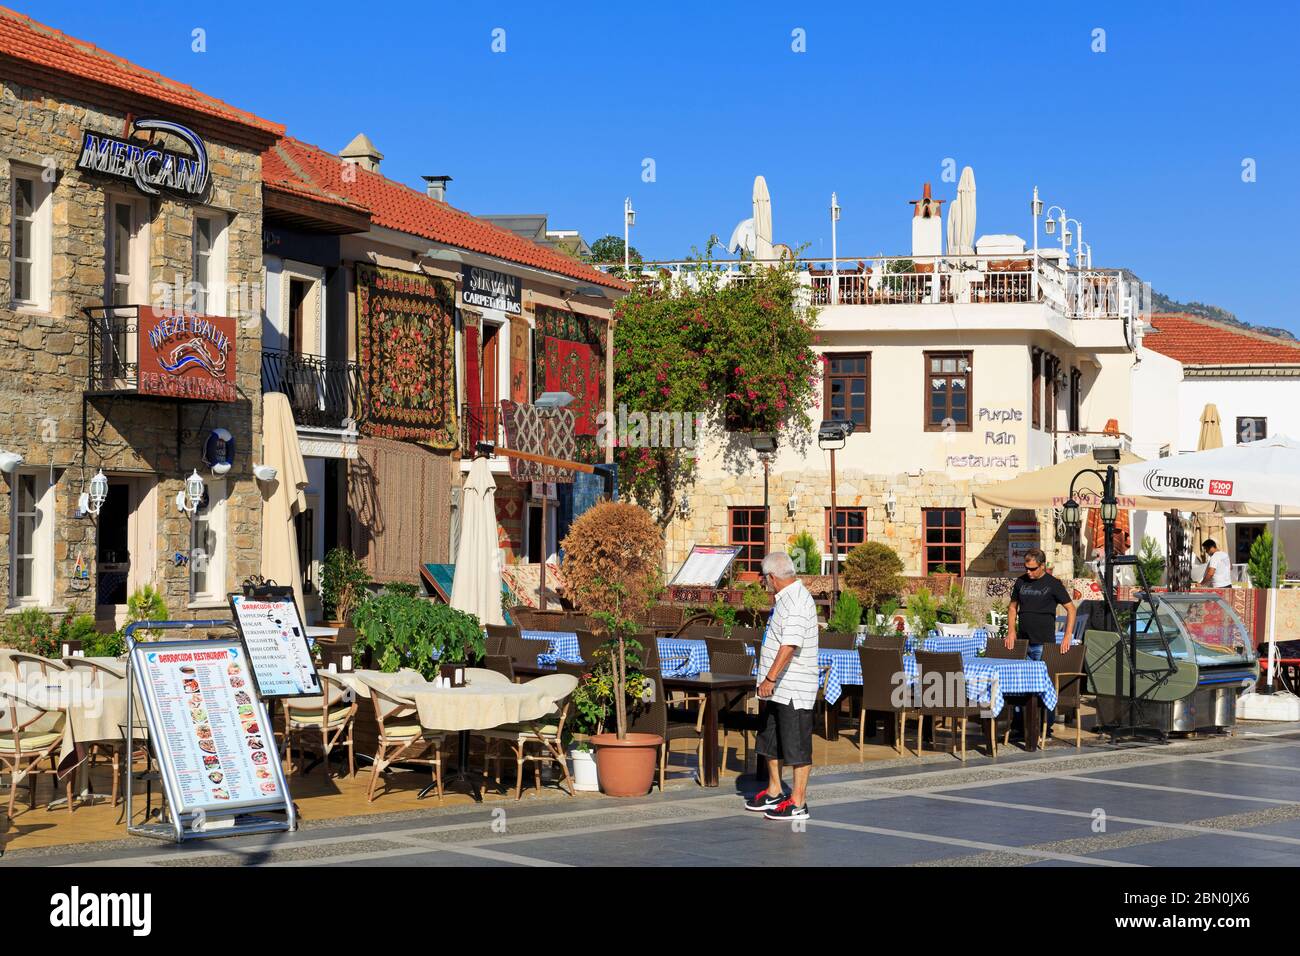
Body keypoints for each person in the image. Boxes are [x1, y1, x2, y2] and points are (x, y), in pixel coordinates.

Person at [745, 551, 819, 821]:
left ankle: (799, 801)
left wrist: (771, 677)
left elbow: (790, 644)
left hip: (793, 688)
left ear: (773, 578)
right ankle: (775, 790)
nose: (764, 583)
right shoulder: (784, 599)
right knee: (770, 740)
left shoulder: (797, 601)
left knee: (796, 746)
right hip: (777, 689)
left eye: (765, 578)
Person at [1006, 548, 1076, 740]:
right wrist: (1011, 631)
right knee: (1020, 685)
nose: (1028, 572)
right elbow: (1012, 608)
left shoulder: (1053, 584)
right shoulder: (1021, 582)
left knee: (1044, 686)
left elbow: (1071, 609)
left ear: (1042, 565)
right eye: (1026, 568)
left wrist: (1068, 634)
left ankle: (1046, 727)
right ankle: (1020, 727)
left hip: (1043, 644)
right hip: (1023, 642)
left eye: (1032, 568)